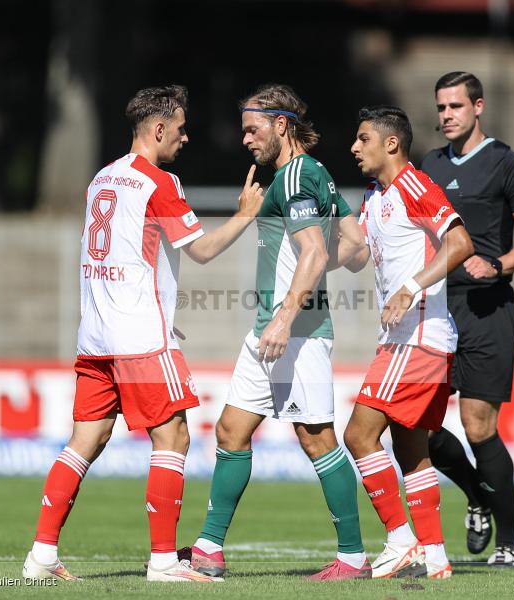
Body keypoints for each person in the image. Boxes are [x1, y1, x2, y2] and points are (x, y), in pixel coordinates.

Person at [22, 84, 264, 584]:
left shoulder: (101, 178)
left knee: (86, 437)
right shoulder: (160, 182)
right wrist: (244, 215)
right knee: (172, 435)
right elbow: (198, 249)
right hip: (139, 337)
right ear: (158, 130)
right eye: (178, 129)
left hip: (95, 335)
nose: (185, 136)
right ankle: (162, 563)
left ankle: (41, 555)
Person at [186, 84, 370, 581]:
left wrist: (287, 315)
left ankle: (353, 557)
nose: (245, 139)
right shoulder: (316, 174)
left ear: (281, 125)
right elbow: (357, 247)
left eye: (253, 128)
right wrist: (313, 263)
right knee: (231, 430)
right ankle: (208, 549)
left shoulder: (293, 178)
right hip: (273, 330)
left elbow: (315, 252)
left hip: (296, 332)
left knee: (316, 439)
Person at [420, 71, 514, 568]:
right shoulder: (428, 164)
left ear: (478, 108)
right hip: (437, 308)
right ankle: (477, 495)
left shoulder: (506, 161)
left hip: (487, 309)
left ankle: (510, 541)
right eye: (441, 108)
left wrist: (497, 264)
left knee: (478, 426)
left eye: (455, 106)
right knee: (421, 426)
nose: (447, 115)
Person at [343, 106, 473, 580]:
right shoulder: (375, 198)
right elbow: (357, 255)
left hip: (418, 337)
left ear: (391, 143)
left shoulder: (414, 186)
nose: (355, 148)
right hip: (401, 339)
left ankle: (401, 539)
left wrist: (409, 288)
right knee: (410, 448)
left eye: (362, 139)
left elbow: (460, 244)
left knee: (358, 435)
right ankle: (435, 557)